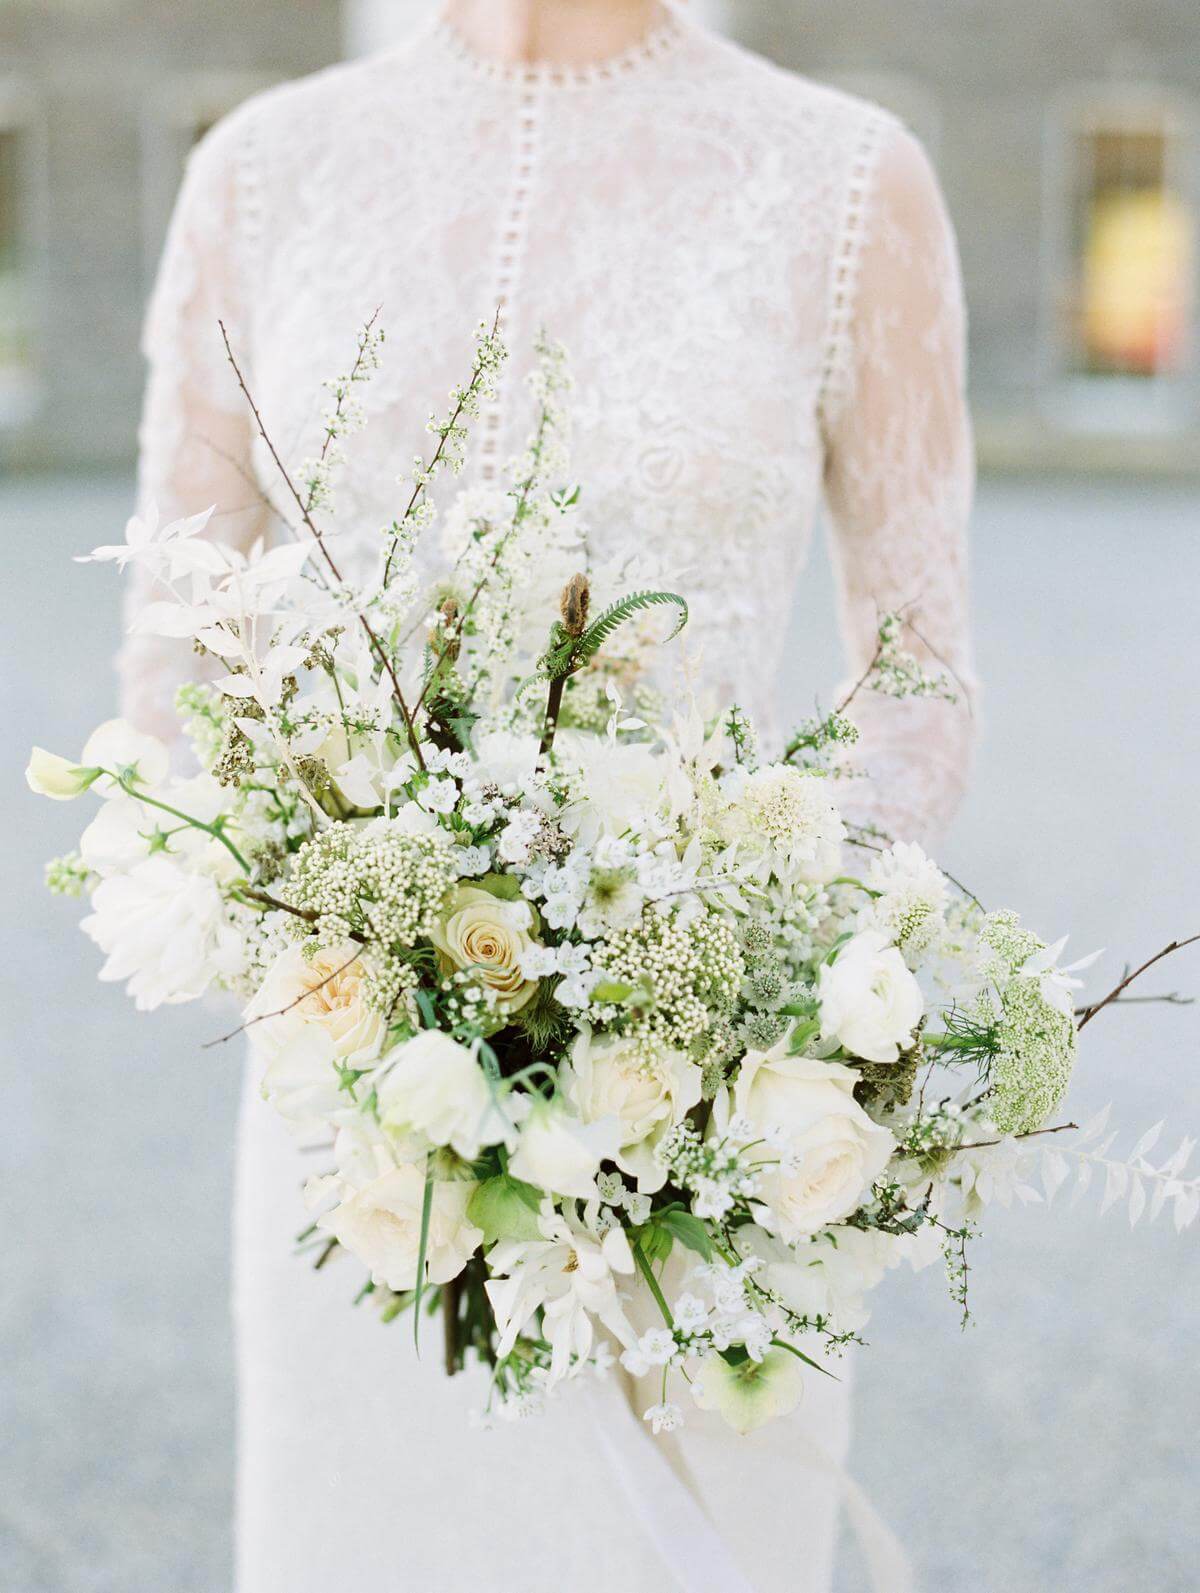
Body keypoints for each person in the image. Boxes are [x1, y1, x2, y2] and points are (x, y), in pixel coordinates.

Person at [122, 2, 977, 1587]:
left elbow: (918, 671)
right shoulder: (261, 172)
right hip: (361, 1140)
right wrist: (348, 965)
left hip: (707, 1145)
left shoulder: (848, 180)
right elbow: (177, 664)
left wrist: (737, 984)